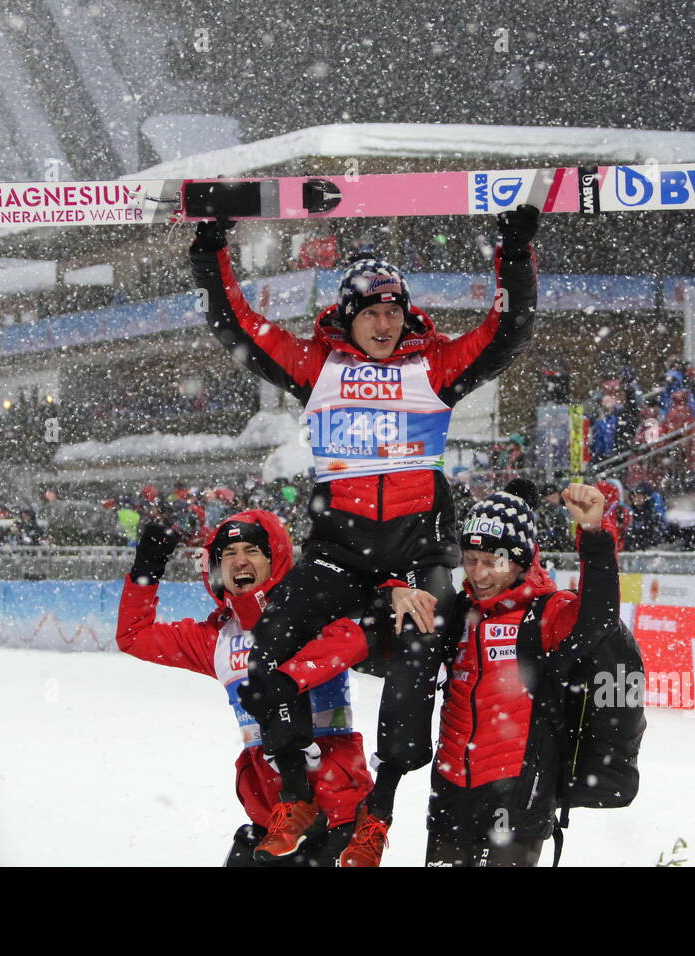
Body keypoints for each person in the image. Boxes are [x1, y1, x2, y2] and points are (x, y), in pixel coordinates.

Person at [189, 204, 541, 866]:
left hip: (416, 555)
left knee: (417, 658)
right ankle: (294, 792)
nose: (386, 323)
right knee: (264, 649)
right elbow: (234, 323)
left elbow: (507, 330)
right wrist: (212, 252)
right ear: (348, 316)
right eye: (372, 311)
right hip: (339, 555)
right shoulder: (315, 366)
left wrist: (514, 257)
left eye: (394, 310)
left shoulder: (433, 367)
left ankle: (377, 812)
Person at [114, 511, 374, 866]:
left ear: (274, 558)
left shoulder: (311, 608)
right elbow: (134, 637)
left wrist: (286, 679)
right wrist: (147, 568)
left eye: (252, 550)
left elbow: (351, 642)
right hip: (269, 818)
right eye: (229, 553)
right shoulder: (217, 636)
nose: (239, 561)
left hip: (334, 816)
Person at [427, 483, 634, 866]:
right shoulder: (459, 611)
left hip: (517, 797)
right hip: (451, 794)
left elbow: (599, 619)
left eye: (493, 561)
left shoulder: (548, 612)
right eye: (470, 559)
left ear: (521, 560)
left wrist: (594, 536)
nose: (479, 573)